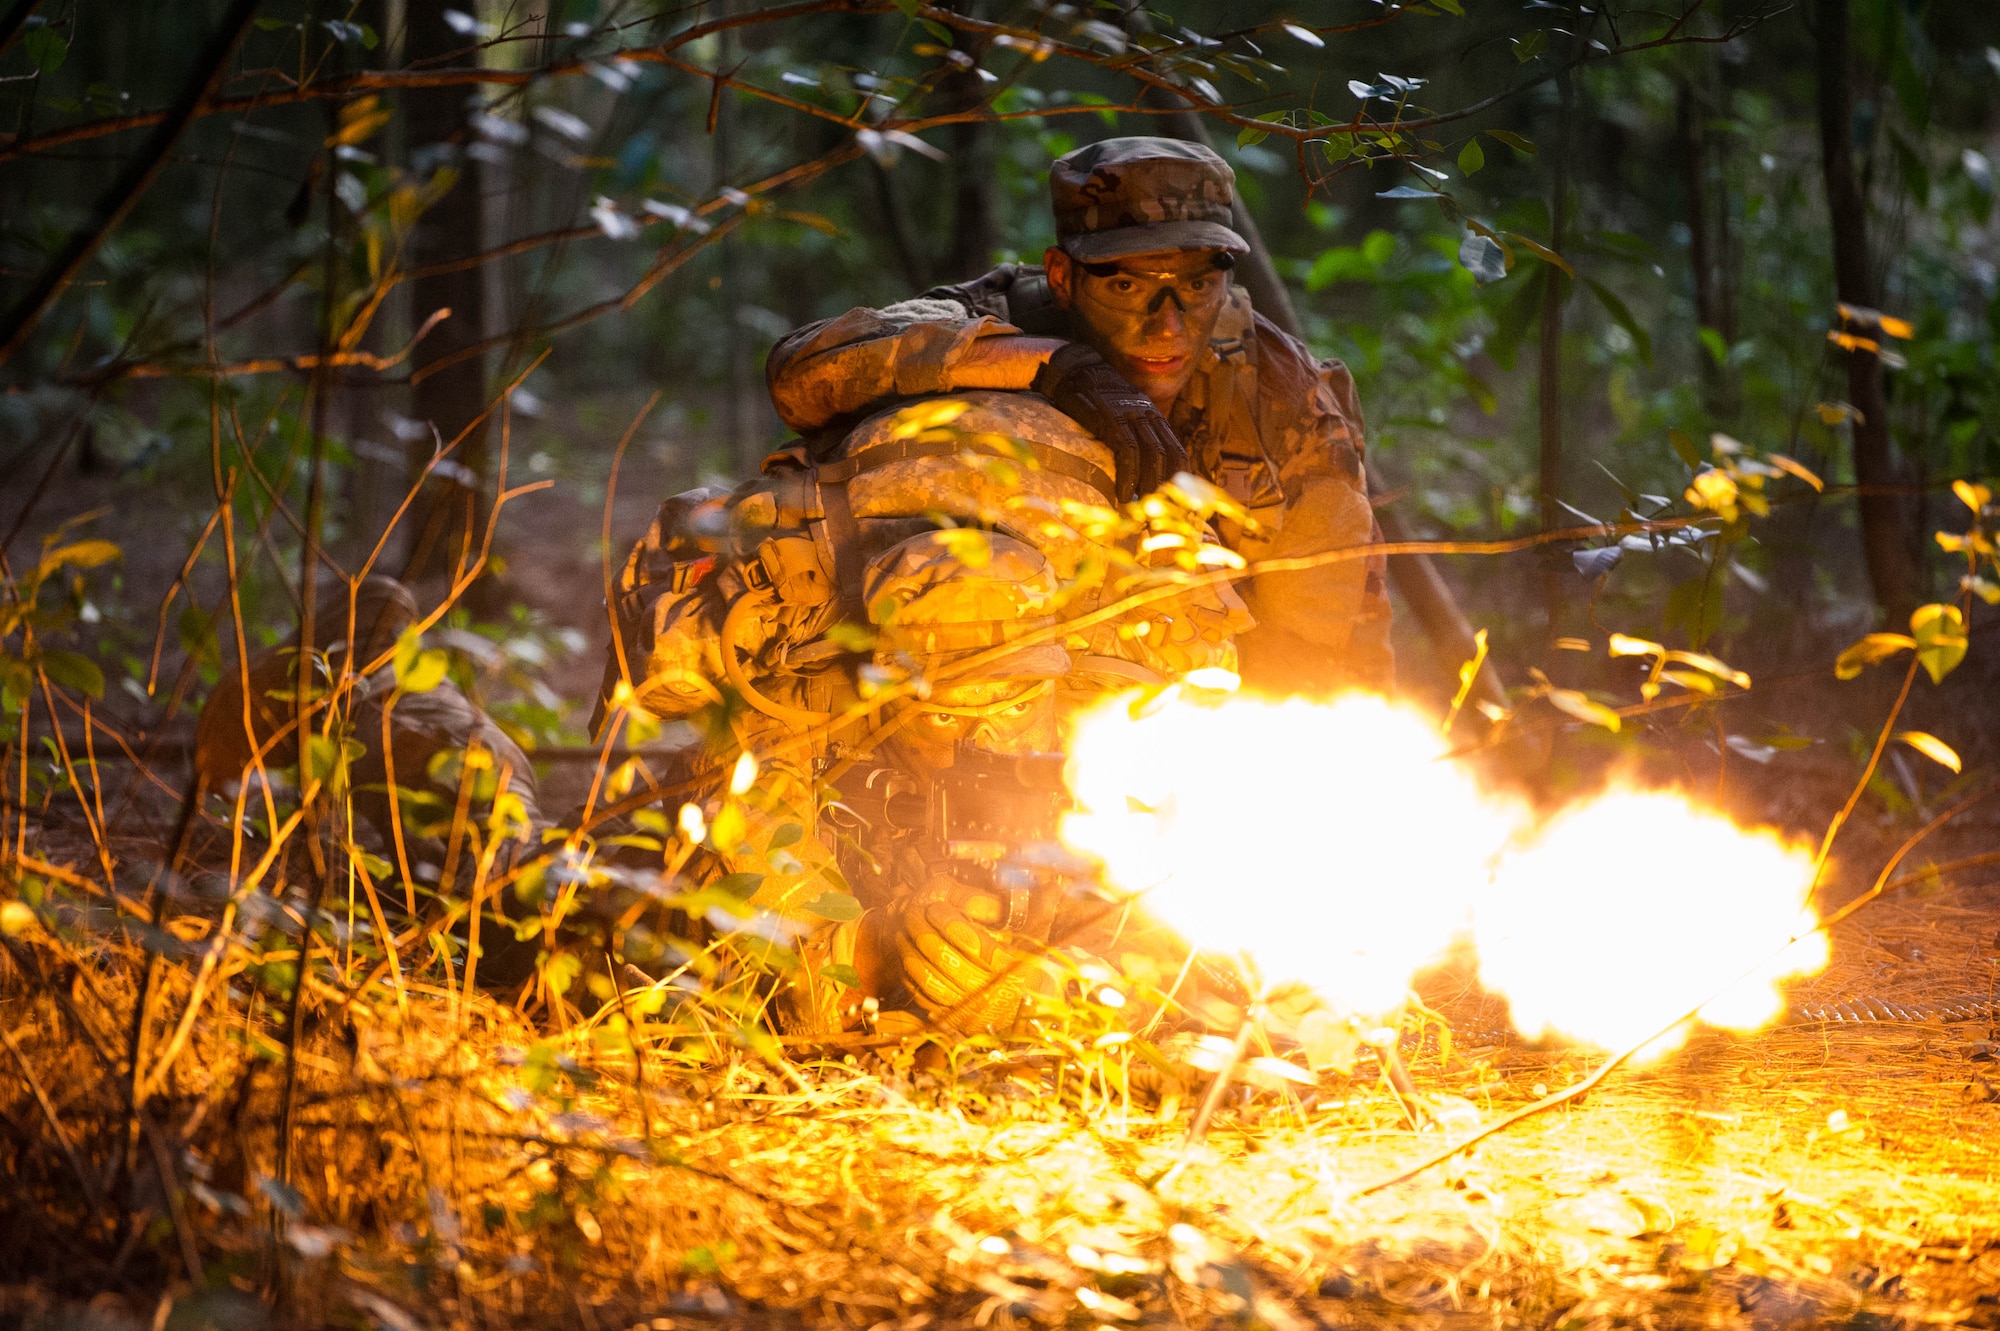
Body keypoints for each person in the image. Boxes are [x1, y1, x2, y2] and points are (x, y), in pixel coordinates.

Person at [766, 135, 1393, 695]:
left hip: (1179, 689)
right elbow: (801, 374)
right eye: (1127, 286)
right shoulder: (997, 315)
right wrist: (1046, 364)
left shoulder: (1281, 394)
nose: (1168, 325)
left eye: (1197, 287)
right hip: (955, 657)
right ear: (1062, 277)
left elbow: (1333, 645)